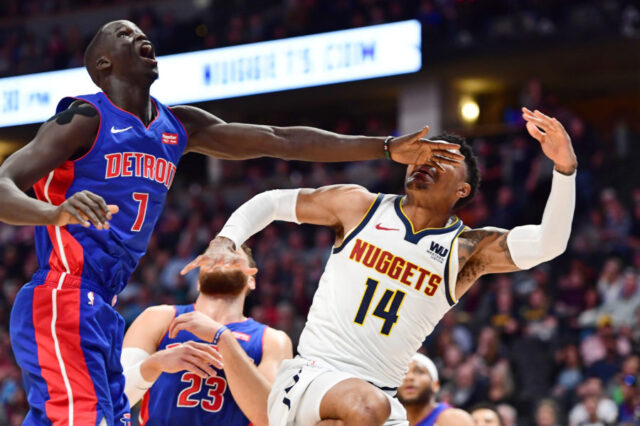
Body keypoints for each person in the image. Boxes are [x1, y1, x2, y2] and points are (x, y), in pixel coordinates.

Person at [0, 20, 461, 426]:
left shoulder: (177, 126)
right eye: (124, 34)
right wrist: (52, 213)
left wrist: (381, 146)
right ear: (103, 65)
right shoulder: (85, 117)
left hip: (102, 303)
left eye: (141, 32)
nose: (140, 36)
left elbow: (279, 140)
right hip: (63, 295)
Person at [184, 107, 578, 425]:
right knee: (366, 407)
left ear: (463, 190)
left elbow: (550, 243)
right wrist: (226, 239)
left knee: (372, 408)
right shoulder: (360, 206)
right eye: (424, 153)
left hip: (384, 399)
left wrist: (564, 170)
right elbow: (272, 202)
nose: (428, 161)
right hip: (314, 376)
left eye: (444, 159)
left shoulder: (467, 250)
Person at [121, 245, 292, 426]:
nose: (221, 257)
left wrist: (224, 339)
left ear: (251, 280)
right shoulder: (159, 317)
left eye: (232, 253)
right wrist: (155, 364)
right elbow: (115, 397)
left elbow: (270, 419)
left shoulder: (272, 340)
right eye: (213, 254)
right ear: (198, 280)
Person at [397, 353, 473, 426]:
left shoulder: (454, 419)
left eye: (419, 371)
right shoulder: (389, 419)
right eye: (403, 373)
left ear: (435, 385)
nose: (409, 377)